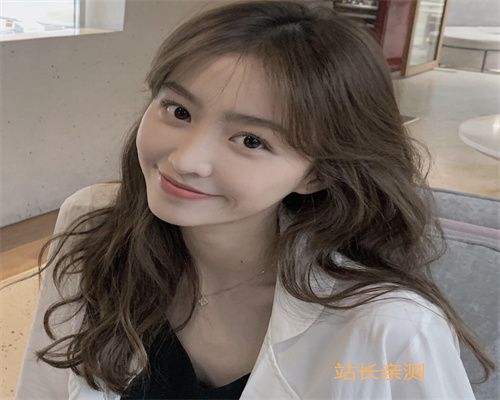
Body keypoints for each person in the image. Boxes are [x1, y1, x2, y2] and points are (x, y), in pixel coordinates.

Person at [12, 1, 495, 399]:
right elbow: (46, 388)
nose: (186, 160)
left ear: (316, 173)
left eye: (251, 141)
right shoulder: (97, 227)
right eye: (178, 111)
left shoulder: (388, 330)